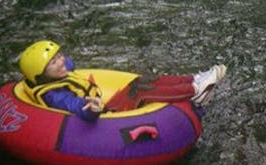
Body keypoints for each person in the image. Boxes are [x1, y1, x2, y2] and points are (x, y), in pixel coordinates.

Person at [17, 40, 227, 122]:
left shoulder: (55, 73)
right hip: (108, 114)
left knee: (142, 80)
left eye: (59, 56)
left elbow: (68, 64)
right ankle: (193, 91)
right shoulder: (54, 94)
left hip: (107, 104)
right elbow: (72, 105)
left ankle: (193, 80)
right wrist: (91, 108)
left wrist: (60, 63)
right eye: (53, 63)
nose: (61, 61)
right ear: (41, 74)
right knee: (141, 93)